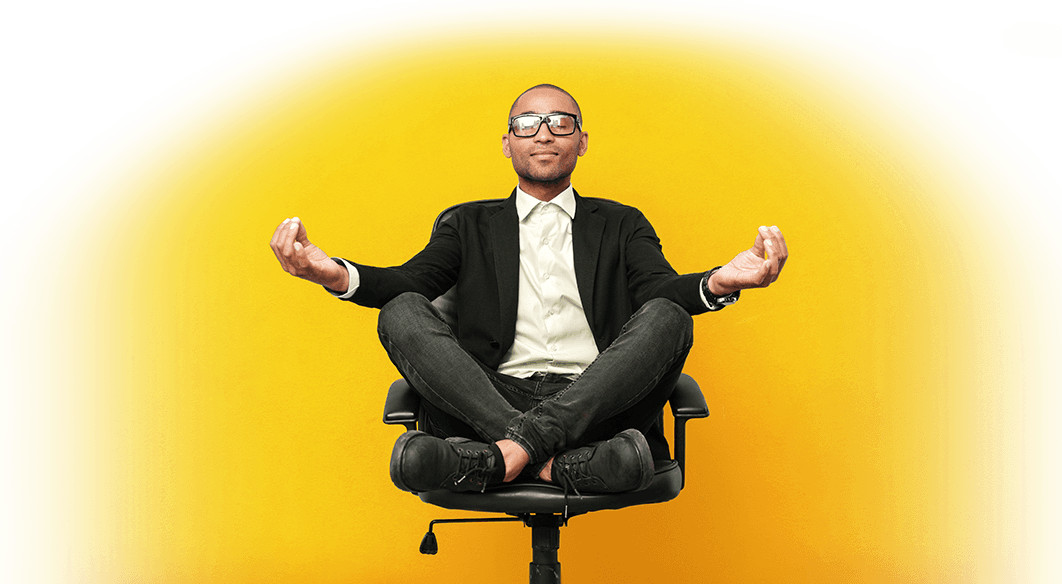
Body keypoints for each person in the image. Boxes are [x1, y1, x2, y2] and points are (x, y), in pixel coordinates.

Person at [269, 84, 787, 497]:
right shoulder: (467, 224)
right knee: (402, 309)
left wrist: (719, 282)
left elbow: (660, 289)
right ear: (508, 142)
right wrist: (333, 274)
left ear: (581, 141)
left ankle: (499, 459)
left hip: (596, 399)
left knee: (669, 316)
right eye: (527, 124)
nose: (544, 134)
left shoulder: (622, 223)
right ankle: (558, 464)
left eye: (561, 123)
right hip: (492, 395)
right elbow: (411, 281)